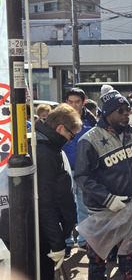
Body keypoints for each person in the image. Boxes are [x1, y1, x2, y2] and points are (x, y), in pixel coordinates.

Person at [74, 85, 132, 280]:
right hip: (102, 213)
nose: (127, 114)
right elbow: (83, 176)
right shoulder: (89, 140)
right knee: (98, 263)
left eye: (128, 110)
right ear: (108, 113)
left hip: (131, 208)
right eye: (121, 111)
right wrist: (108, 198)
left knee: (129, 262)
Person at [35, 103, 82, 279]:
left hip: (46, 229)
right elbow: (45, 201)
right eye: (71, 135)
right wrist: (57, 243)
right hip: (41, 231)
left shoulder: (48, 146)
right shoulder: (44, 151)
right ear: (60, 128)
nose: (71, 140)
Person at [63, 88, 97, 257]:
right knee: (65, 207)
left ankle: (83, 241)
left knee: (84, 206)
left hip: (85, 171)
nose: (74, 105)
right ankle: (67, 242)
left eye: (77, 101)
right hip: (63, 170)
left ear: (84, 102)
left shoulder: (92, 120)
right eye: (71, 101)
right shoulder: (60, 118)